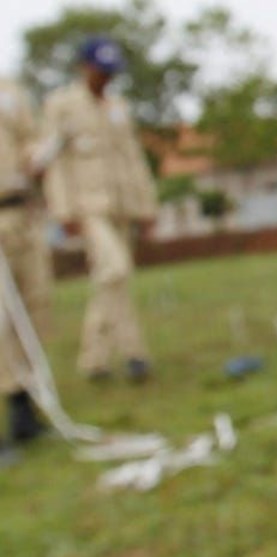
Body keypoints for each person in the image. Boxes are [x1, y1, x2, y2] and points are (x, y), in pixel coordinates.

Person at [42, 36, 157, 384]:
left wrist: (146, 206)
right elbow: (54, 162)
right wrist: (63, 211)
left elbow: (133, 160)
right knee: (117, 269)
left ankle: (94, 360)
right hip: (88, 208)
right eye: (98, 71)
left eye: (109, 73)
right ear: (83, 67)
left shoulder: (117, 107)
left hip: (121, 207)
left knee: (108, 279)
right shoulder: (61, 106)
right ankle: (135, 353)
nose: (104, 79)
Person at [0, 77, 52, 455]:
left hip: (21, 210)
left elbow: (29, 135)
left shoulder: (9, 89)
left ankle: (23, 404)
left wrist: (37, 154)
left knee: (33, 307)